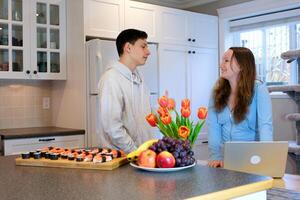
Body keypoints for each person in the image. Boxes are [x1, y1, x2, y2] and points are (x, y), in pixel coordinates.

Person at [207, 47, 273, 168]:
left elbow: (265, 127)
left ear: (242, 65)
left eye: (226, 60)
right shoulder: (216, 92)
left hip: (253, 160)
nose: (221, 65)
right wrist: (215, 156)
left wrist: (267, 160)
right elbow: (213, 127)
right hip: (225, 160)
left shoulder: (259, 90)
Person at [97, 29, 154, 153]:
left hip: (141, 155)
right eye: (143, 46)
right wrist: (135, 152)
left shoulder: (139, 79)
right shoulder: (111, 79)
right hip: (121, 158)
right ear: (128, 47)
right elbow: (112, 127)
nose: (148, 52)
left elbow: (145, 117)